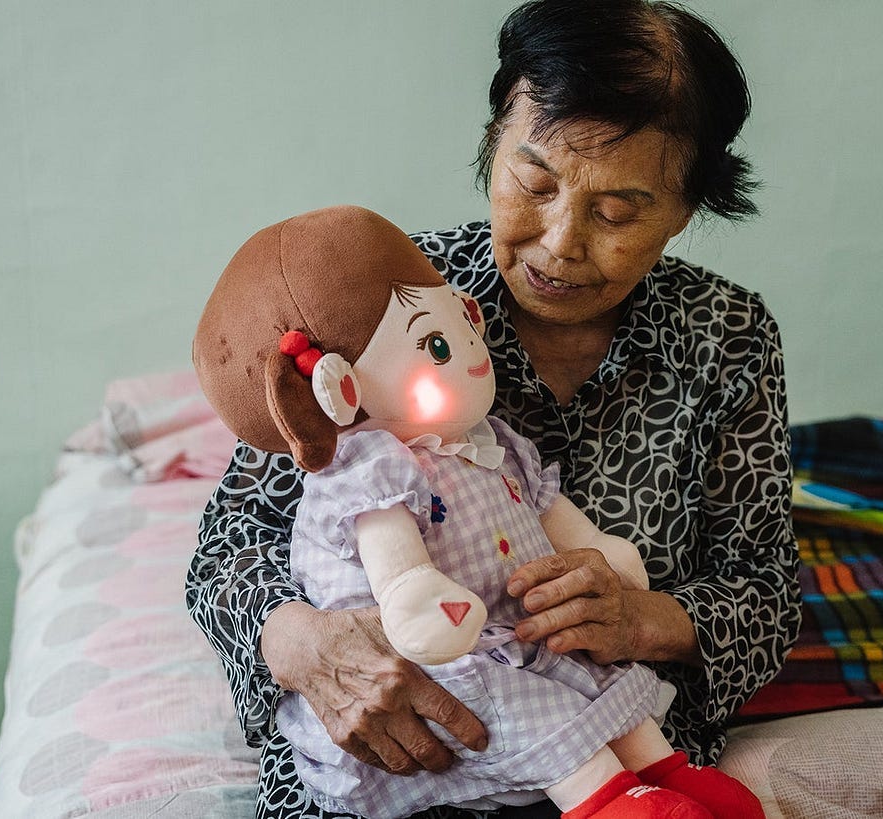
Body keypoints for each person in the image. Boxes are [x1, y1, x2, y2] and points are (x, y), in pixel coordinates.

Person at [186, 2, 800, 817]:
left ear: (686, 209)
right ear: (491, 146)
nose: (559, 241)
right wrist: (308, 648)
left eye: (617, 212)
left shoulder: (727, 337)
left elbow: (767, 591)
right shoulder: (393, 296)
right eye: (534, 182)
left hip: (616, 753)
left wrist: (644, 618)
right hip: (402, 764)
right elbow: (225, 552)